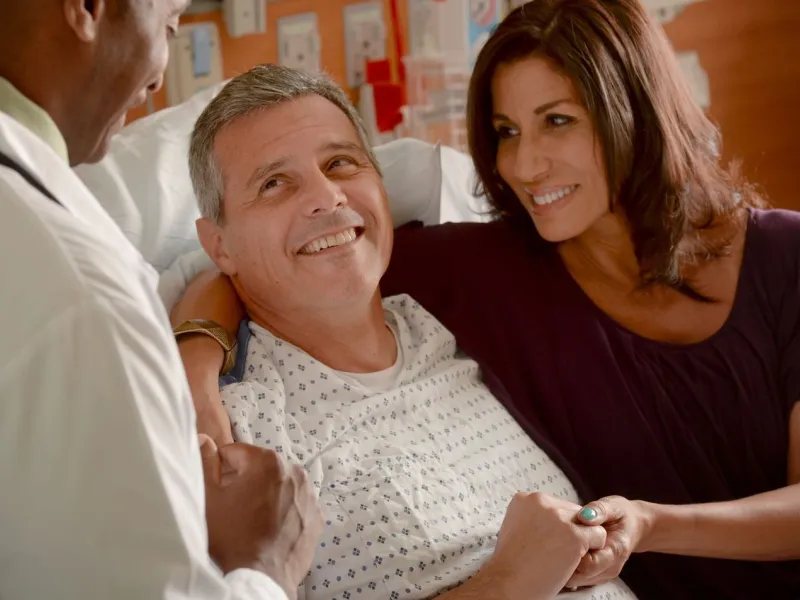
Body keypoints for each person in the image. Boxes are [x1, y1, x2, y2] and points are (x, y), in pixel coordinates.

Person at [176, 0, 800, 598]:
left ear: (633, 110)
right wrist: (194, 370)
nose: (525, 164)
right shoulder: (487, 271)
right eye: (505, 131)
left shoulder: (784, 257)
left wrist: (650, 524)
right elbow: (273, 259)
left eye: (558, 120)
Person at [186, 63, 636, 600]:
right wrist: (510, 582)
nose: (327, 197)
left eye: (341, 162)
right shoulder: (238, 437)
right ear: (219, 246)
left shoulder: (456, 313)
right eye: (274, 183)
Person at [0, 1, 322, 599]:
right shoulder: (79, 296)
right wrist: (264, 561)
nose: (158, 73)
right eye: (169, 24)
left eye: (342, 162)